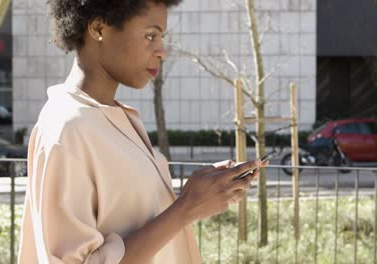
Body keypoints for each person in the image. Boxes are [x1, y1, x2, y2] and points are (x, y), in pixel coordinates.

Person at [17, 0, 268, 263]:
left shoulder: (114, 117)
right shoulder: (67, 129)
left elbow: (137, 223)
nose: (162, 51)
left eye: (162, 37)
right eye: (150, 35)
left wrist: (199, 196)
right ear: (98, 28)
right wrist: (186, 208)